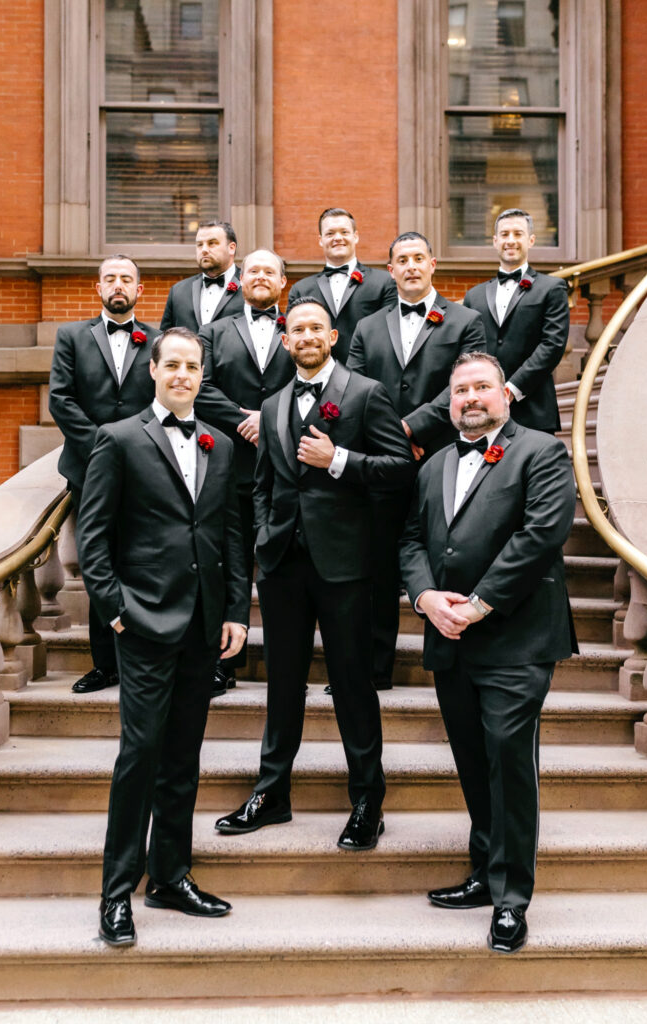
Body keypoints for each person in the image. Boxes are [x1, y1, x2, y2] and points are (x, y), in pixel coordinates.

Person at [214, 297, 414, 849]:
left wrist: (341, 461)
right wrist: (263, 536)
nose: (305, 335)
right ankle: (272, 791)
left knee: (352, 684)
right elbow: (263, 484)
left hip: (348, 567)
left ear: (332, 337)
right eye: (296, 328)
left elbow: (401, 471)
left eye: (315, 329)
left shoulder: (366, 394)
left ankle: (367, 799)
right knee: (282, 683)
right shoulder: (273, 402)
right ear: (285, 340)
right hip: (281, 566)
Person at [76, 326, 249, 947]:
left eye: (192, 366)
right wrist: (116, 611)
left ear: (203, 375)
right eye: (171, 364)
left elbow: (229, 532)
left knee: (182, 759)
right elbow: (91, 537)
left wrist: (235, 610)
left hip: (204, 627)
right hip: (144, 624)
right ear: (153, 370)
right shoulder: (118, 439)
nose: (182, 374)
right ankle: (115, 891)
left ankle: (171, 877)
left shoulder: (220, 444)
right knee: (139, 758)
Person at [399, 352, 576, 954]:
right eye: (459, 391)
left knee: (507, 759)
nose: (470, 398)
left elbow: (540, 536)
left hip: (516, 638)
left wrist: (476, 605)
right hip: (449, 638)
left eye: (481, 387)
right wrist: (425, 598)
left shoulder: (542, 452)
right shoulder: (434, 466)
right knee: (473, 761)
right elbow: (412, 540)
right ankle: (483, 870)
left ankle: (511, 898)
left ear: (506, 394)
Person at [346, 231, 486, 690]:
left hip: (445, 455)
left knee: (445, 557)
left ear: (432, 264)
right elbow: (354, 391)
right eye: (400, 260)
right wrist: (390, 437)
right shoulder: (367, 327)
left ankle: (452, 664)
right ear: (390, 270)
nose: (409, 266)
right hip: (383, 466)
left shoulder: (466, 320)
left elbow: (462, 383)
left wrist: (408, 430)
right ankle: (373, 669)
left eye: (417, 258)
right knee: (381, 566)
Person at [49, 254, 159, 694]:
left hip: (145, 470)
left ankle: (140, 657)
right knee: (97, 561)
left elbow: (163, 399)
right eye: (110, 278)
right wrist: (104, 449)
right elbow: (61, 399)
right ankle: (104, 664)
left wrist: (135, 450)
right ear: (98, 288)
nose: (118, 285)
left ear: (139, 290)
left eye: (126, 279)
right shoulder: (72, 336)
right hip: (88, 469)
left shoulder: (158, 340)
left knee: (140, 562)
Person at [195, 249, 295, 696]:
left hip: (286, 469)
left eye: (269, 271)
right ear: (241, 278)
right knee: (231, 565)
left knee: (281, 568)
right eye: (252, 270)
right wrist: (243, 417)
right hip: (231, 466)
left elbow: (314, 380)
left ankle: (284, 663)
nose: (260, 277)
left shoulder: (301, 327)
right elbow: (202, 386)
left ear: (282, 281)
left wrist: (271, 419)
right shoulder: (214, 331)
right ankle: (224, 662)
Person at [462, 208, 569, 433]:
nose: (510, 240)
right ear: (495, 241)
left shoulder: (551, 288)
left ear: (531, 240)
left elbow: (552, 345)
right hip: (484, 412)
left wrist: (511, 389)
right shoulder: (474, 295)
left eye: (518, 234)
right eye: (505, 234)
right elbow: (469, 352)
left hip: (534, 410)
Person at [286, 207, 396, 363]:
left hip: (367, 375)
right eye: (330, 233)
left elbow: (389, 336)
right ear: (320, 240)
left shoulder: (384, 283)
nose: (337, 238)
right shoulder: (300, 289)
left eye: (344, 232)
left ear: (355, 236)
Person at [160, 221, 244, 334]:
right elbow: (163, 339)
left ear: (231, 248)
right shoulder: (178, 291)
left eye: (212, 243)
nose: (204, 249)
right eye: (200, 244)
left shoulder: (250, 286)